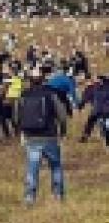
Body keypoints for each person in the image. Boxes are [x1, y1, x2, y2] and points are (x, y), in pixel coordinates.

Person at [17, 68, 69, 205]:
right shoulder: (51, 94)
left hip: (31, 137)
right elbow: (62, 116)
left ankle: (30, 197)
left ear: (30, 80)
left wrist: (21, 131)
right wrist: (63, 131)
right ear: (43, 79)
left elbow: (16, 116)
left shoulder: (24, 95)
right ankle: (58, 195)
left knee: (32, 168)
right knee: (55, 166)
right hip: (49, 135)